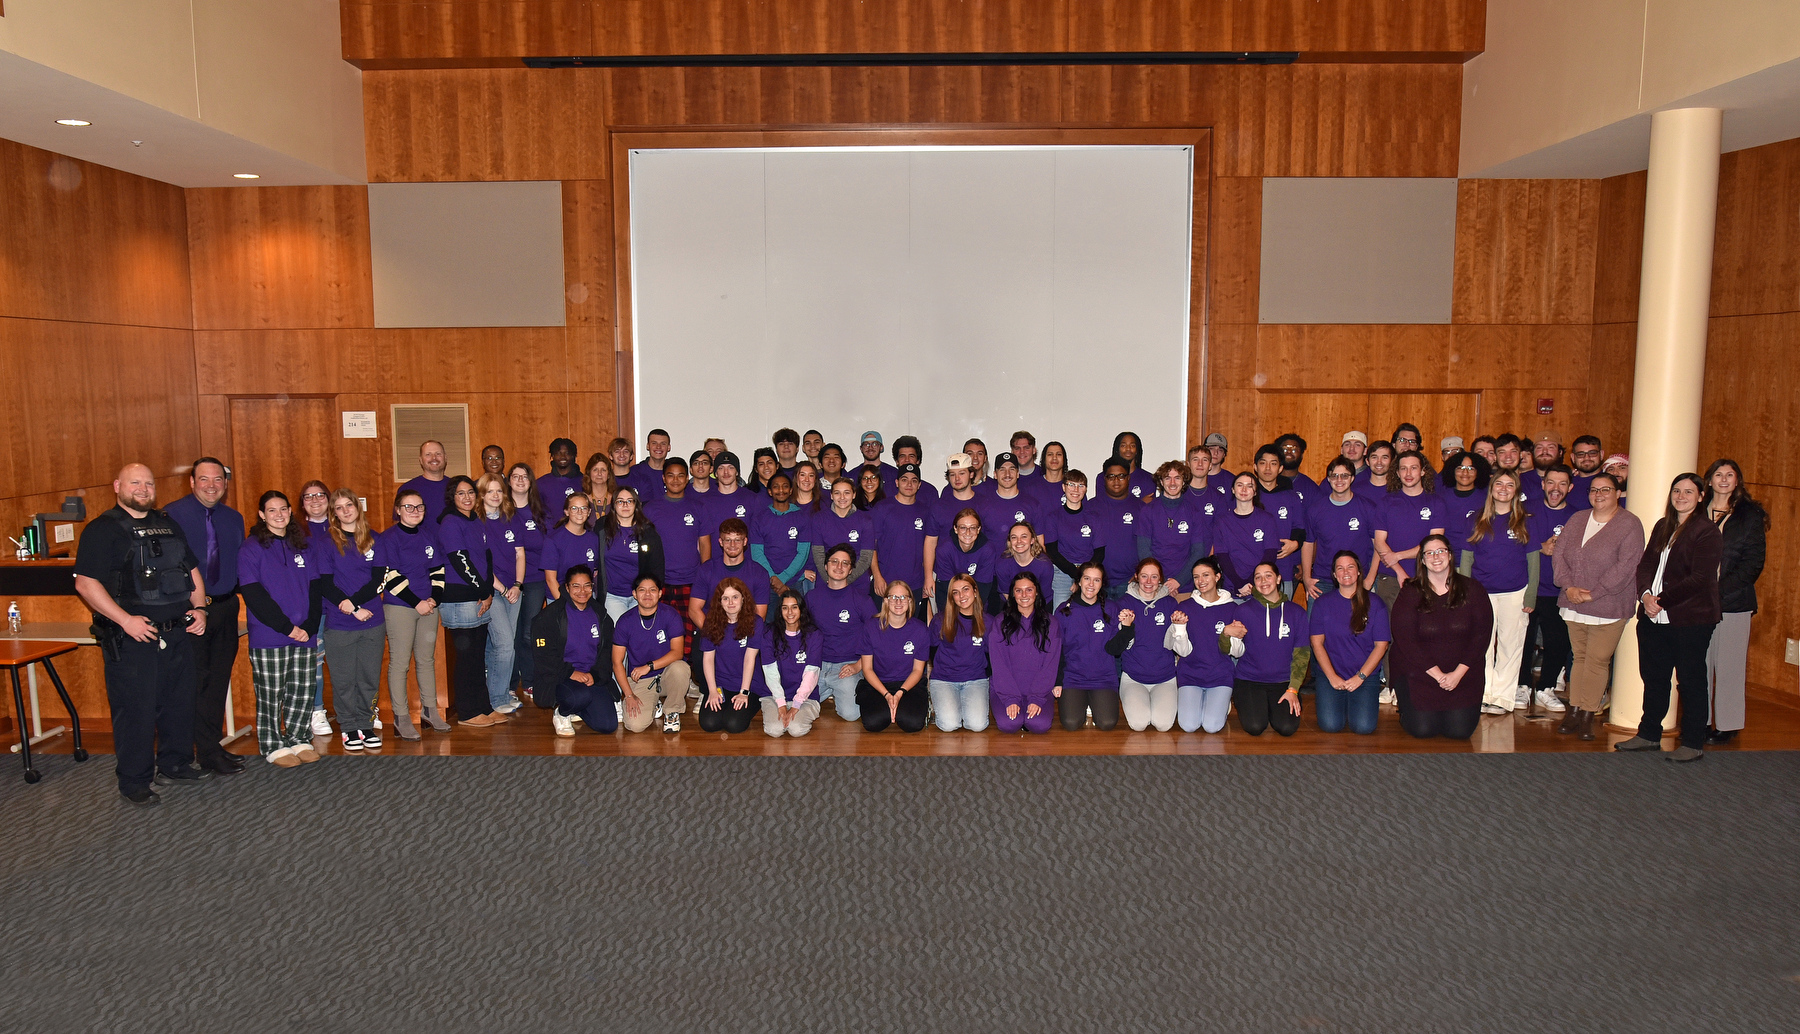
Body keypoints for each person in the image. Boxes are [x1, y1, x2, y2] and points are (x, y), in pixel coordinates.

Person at [73, 464, 211, 804]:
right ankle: (134, 781)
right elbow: (85, 583)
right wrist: (125, 621)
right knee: (136, 711)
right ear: (118, 485)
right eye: (135, 483)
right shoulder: (103, 530)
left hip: (176, 632)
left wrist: (200, 608)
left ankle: (175, 764)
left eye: (148, 483)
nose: (143, 489)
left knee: (179, 704)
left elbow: (190, 569)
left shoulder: (166, 523)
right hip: (132, 638)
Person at [1615, 474, 1724, 762]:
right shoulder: (1664, 525)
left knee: (1690, 680)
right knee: (1654, 678)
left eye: (1689, 491)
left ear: (1701, 496)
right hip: (1654, 616)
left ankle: (1692, 742)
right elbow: (1646, 564)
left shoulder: (1707, 531)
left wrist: (1659, 601)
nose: (1681, 496)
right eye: (1677, 490)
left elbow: (1700, 578)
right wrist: (1645, 595)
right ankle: (1649, 734)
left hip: (1691, 618)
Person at [164, 457, 246, 777]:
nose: (211, 485)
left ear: (225, 484)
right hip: (189, 612)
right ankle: (197, 750)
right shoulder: (171, 516)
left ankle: (210, 749)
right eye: (204, 479)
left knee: (217, 683)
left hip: (226, 608)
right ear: (192, 482)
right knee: (194, 684)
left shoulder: (233, 518)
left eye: (218, 480)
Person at [1549, 473, 1641, 740]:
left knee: (1597, 661)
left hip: (1609, 604)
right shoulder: (1578, 519)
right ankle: (1574, 710)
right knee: (1579, 658)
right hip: (1573, 601)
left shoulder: (1629, 524)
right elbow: (1560, 554)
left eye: (1606, 489)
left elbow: (1626, 566)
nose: (1599, 494)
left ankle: (1589, 714)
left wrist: (1594, 594)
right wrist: (1568, 587)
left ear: (1618, 493)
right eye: (1594, 490)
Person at [238, 490, 327, 766]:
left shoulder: (304, 546)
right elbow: (254, 595)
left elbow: (315, 587)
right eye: (272, 510)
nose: (279, 515)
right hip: (271, 634)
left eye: (284, 509)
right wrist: (288, 628)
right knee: (271, 691)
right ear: (262, 515)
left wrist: (309, 626)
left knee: (302, 689)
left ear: (291, 512)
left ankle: (299, 738)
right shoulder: (250, 549)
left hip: (306, 633)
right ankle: (273, 743)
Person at [1389, 534, 1491, 740]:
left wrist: (1456, 675)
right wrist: (1438, 676)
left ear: (1450, 556)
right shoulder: (1410, 591)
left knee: (1459, 732)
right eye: (1429, 553)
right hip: (1419, 674)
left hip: (1462, 674)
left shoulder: (1473, 589)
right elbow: (1405, 640)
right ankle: (1406, 708)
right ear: (1423, 560)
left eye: (1441, 551)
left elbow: (1481, 637)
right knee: (1423, 730)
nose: (1436, 557)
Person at [1457, 470, 1537, 715]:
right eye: (1498, 484)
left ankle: (1502, 698)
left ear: (1516, 490)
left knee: (1510, 647)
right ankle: (1484, 693)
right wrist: (1465, 594)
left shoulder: (1526, 520)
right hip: (1481, 594)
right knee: (1481, 645)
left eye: (1509, 484)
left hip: (1515, 592)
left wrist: (1531, 595)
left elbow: (1534, 561)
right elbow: (1466, 559)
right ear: (1491, 489)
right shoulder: (1476, 519)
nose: (1503, 488)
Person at [1702, 459, 1767, 745]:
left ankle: (1727, 724)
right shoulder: (1695, 511)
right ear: (1709, 480)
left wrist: (1719, 590)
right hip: (1695, 601)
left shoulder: (1749, 515)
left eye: (1730, 475)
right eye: (1719, 474)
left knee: (1729, 665)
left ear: (1737, 481)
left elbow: (1753, 562)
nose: (1724, 479)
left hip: (1734, 600)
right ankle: (1699, 719)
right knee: (1697, 664)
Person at [373, 488, 445, 739]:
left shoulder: (428, 536)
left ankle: (430, 711)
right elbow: (388, 576)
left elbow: (438, 570)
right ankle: (401, 718)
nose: (415, 512)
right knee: (400, 663)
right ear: (398, 510)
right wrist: (417, 603)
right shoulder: (388, 539)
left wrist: (434, 598)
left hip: (429, 605)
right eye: (409, 507)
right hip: (401, 607)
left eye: (419, 507)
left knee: (426, 661)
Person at [436, 476, 503, 728]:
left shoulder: (475, 520)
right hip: (460, 597)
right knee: (466, 659)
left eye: (471, 492)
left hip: (479, 594)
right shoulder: (450, 523)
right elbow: (460, 561)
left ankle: (483, 706)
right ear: (452, 497)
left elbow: (485, 557)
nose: (467, 497)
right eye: (461, 493)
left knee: (478, 657)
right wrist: (482, 590)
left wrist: (487, 591)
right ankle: (467, 712)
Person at [321, 490, 385, 750]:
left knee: (369, 676)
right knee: (344, 679)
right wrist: (350, 607)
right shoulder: (327, 542)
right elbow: (324, 582)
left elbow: (378, 577)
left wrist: (357, 604)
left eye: (350, 505)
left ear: (358, 507)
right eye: (339, 507)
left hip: (372, 620)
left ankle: (366, 724)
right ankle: (348, 727)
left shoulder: (375, 539)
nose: (346, 510)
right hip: (340, 622)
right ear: (333, 513)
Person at [1219, 561, 1308, 736]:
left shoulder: (1297, 612)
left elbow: (1302, 654)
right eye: (1258, 577)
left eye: (1268, 575)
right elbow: (1228, 649)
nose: (1263, 581)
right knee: (1254, 726)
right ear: (1254, 583)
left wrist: (1293, 689)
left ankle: (1280, 704)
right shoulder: (1243, 611)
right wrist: (1225, 634)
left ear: (1278, 579)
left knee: (1286, 728)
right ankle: (1257, 705)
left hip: (1283, 682)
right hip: (1250, 679)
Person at [1307, 552, 1390, 735]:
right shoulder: (1322, 604)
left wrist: (1360, 677)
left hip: (1364, 676)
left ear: (1359, 572)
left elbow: (1381, 645)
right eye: (1340, 568)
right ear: (1334, 575)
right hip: (1331, 675)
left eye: (1350, 567)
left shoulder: (1375, 603)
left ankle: (1352, 700)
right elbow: (1317, 643)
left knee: (1363, 728)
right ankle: (1341, 699)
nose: (1346, 572)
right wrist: (1332, 676)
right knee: (1330, 726)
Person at [532, 565, 618, 734]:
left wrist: (594, 675)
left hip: (590, 677)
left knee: (607, 725)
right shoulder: (549, 616)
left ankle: (577, 708)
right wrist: (570, 673)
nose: (582, 591)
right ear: (566, 587)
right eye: (576, 586)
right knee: (579, 697)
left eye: (587, 585)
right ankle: (563, 712)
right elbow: (543, 657)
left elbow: (607, 653)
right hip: (562, 677)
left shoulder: (601, 615)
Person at [1520, 466, 1576, 713]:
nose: (1556, 489)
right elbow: (1509, 541)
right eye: (1551, 483)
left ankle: (1546, 688)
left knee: (1559, 642)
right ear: (1542, 484)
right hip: (1527, 587)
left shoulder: (1578, 516)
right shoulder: (1525, 510)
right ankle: (1521, 686)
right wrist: (1538, 547)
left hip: (1559, 591)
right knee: (1523, 639)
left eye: (1562, 484)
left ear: (1570, 488)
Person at [643, 455, 710, 653]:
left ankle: (688, 678)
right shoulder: (651, 508)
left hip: (690, 581)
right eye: (670, 475)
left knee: (689, 634)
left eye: (680, 476)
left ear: (687, 477)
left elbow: (705, 544)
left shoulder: (697, 507)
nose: (675, 480)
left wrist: (705, 578)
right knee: (659, 634)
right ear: (663, 478)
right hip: (659, 582)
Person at [611, 574, 692, 733]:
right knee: (634, 725)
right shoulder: (625, 621)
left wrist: (649, 666)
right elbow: (617, 663)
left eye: (652, 590)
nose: (647, 595)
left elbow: (677, 652)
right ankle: (654, 704)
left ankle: (672, 711)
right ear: (634, 594)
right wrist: (628, 695)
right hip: (641, 679)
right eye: (642, 590)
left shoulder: (670, 614)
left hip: (668, 675)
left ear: (660, 593)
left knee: (681, 668)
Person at [1167, 557, 1239, 733]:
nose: (1201, 581)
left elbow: (1238, 652)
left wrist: (1229, 636)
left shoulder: (1233, 608)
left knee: (1212, 727)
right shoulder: (1184, 607)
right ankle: (1207, 703)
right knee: (1188, 726)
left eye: (1206, 575)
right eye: (1196, 577)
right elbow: (1182, 652)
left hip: (1220, 676)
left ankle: (1220, 703)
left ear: (1217, 577)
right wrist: (1180, 628)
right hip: (1191, 675)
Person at [475, 473, 526, 715]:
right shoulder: (476, 521)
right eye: (490, 491)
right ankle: (496, 699)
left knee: (502, 645)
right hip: (490, 591)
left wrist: (517, 585)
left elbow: (520, 554)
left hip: (513, 590)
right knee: (504, 644)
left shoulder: (511, 518)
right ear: (482, 494)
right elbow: (481, 564)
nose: (495, 495)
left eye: (499, 491)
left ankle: (500, 691)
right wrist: (503, 589)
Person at [804, 544, 874, 721]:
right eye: (834, 561)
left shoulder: (862, 600)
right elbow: (802, 634)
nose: (839, 567)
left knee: (851, 715)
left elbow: (877, 637)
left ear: (851, 570)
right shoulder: (812, 598)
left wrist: (859, 666)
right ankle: (828, 690)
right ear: (826, 566)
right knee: (798, 705)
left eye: (845, 563)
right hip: (817, 664)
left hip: (847, 666)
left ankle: (840, 689)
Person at [1054, 562, 1124, 730]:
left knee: (1107, 723)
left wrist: (1128, 628)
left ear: (1102, 584)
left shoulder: (1111, 609)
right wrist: (1058, 681)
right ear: (1079, 581)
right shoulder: (1064, 611)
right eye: (1087, 579)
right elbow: (1057, 651)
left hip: (1103, 678)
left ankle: (1093, 702)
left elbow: (1116, 649)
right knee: (1071, 723)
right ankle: (1083, 702)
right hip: (1073, 677)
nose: (1091, 585)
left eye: (1096, 580)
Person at [988, 572, 1060, 734]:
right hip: (1005, 689)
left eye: (1029, 590)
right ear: (1012, 594)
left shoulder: (1051, 623)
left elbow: (1050, 665)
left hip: (1039, 690)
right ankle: (1017, 712)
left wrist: (1036, 698)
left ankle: (1027, 714)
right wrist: (1010, 698)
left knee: (1038, 725)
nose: (1024, 595)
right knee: (1009, 724)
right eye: (1019, 590)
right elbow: (998, 665)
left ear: (1037, 593)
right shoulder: (1000, 622)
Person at [1299, 456, 1378, 602]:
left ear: (1352, 478)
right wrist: (1306, 578)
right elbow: (1308, 543)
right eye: (1334, 476)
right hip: (1322, 580)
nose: (1339, 480)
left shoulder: (1368, 508)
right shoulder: (1315, 510)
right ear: (1328, 479)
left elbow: (1378, 546)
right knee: (1317, 624)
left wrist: (1369, 580)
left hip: (1357, 580)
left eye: (1344, 476)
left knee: (1357, 625)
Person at [1372, 452, 1443, 613]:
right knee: (1390, 632)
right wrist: (1399, 571)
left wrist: (1398, 556)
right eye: (1403, 469)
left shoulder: (1436, 503)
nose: (1408, 474)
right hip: (1390, 577)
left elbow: (1434, 545)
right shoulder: (1386, 503)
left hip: (1427, 575)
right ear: (1397, 473)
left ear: (1423, 471)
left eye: (1413, 468)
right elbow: (1379, 542)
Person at [856, 581, 930, 733]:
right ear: (885, 601)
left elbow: (917, 670)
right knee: (873, 723)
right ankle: (889, 707)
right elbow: (867, 669)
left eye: (903, 597)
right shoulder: (870, 627)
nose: (898, 601)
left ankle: (910, 706)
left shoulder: (920, 630)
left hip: (909, 684)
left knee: (913, 724)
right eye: (893, 597)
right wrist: (887, 695)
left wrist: (899, 694)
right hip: (878, 684)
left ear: (910, 601)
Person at [1115, 558, 1180, 731]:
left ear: (1160, 579)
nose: (1149, 582)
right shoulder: (1123, 604)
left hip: (1165, 678)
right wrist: (1124, 626)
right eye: (1144, 576)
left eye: (1154, 577)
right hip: (1133, 678)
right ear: (1136, 577)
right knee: (1138, 724)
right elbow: (1118, 646)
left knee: (1163, 725)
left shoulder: (1170, 603)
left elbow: (1178, 645)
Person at [693, 577, 761, 735]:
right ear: (719, 601)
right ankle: (725, 704)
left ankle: (746, 704)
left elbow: (749, 659)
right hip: (721, 684)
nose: (731, 602)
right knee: (709, 723)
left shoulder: (755, 622)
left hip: (748, 685)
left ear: (743, 598)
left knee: (733, 724)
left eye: (735, 597)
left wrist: (744, 693)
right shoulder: (711, 623)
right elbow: (708, 659)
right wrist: (712, 691)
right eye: (725, 598)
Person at [505, 463, 549, 699]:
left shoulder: (540, 511)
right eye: (515, 476)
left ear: (531, 482)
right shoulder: (501, 511)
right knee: (510, 633)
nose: (520, 480)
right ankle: (510, 684)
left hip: (534, 580)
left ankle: (529, 680)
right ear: (508, 481)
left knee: (528, 633)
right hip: (506, 582)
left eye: (525, 476)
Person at [296, 480, 336, 737]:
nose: (315, 500)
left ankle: (358, 709)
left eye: (320, 494)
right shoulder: (295, 532)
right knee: (315, 661)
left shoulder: (342, 526)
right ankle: (316, 710)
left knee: (344, 660)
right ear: (302, 504)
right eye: (308, 496)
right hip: (314, 608)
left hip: (343, 606)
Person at [928, 574, 992, 732]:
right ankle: (938, 702)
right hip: (944, 679)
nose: (961, 596)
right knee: (949, 725)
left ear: (975, 591)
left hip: (975, 679)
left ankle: (963, 706)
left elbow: (991, 657)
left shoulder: (988, 621)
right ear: (952, 598)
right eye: (956, 592)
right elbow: (931, 651)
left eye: (965, 590)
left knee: (977, 725)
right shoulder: (940, 620)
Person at [759, 589, 824, 737]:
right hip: (773, 695)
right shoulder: (769, 634)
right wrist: (781, 704)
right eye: (785, 607)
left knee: (796, 730)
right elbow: (770, 672)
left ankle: (798, 714)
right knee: (774, 730)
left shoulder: (814, 635)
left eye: (794, 607)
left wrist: (796, 705)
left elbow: (811, 674)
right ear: (780, 610)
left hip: (806, 697)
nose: (790, 612)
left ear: (801, 609)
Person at [1138, 461, 1208, 596]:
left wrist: (1178, 581)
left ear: (1184, 482)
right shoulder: (1148, 511)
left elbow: (1198, 552)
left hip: (1184, 586)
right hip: (1154, 586)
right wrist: (1158, 580)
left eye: (1177, 478)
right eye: (1167, 478)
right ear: (1161, 482)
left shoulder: (1194, 512)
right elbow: (1143, 550)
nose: (1172, 483)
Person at [870, 464, 931, 619]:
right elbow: (871, 545)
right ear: (897, 482)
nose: (909, 484)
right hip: (885, 582)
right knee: (883, 628)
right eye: (904, 480)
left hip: (914, 584)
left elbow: (928, 548)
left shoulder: (925, 511)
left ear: (919, 485)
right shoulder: (882, 508)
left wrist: (926, 579)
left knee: (909, 630)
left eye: (914, 480)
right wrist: (877, 576)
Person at [601, 487, 665, 622]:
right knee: (622, 631)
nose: (625, 505)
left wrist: (650, 595)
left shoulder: (648, 533)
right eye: (620, 501)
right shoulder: (602, 528)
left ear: (636, 505)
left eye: (630, 501)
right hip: (613, 595)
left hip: (641, 596)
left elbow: (657, 568)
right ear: (613, 505)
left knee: (640, 635)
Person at [690, 517, 770, 626]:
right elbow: (694, 610)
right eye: (728, 540)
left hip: (745, 635)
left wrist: (739, 639)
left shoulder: (759, 573)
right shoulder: (706, 570)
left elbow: (760, 615)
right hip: (712, 633)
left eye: (737, 540)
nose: (732, 545)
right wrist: (713, 635)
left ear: (745, 541)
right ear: (720, 542)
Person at [1211, 472, 1280, 595]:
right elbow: (1222, 556)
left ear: (1255, 492)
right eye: (1240, 485)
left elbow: (1270, 554)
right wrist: (1239, 583)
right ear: (1232, 490)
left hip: (1261, 587)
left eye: (1249, 486)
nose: (1244, 489)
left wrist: (1253, 582)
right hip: (1233, 587)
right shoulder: (1222, 521)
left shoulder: (1267, 519)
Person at [1250, 444, 1306, 592]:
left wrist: (1295, 543)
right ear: (1255, 467)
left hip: (1283, 570)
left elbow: (1300, 528)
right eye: (1263, 463)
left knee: (1282, 614)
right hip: (1250, 570)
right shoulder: (1245, 495)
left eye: (1273, 463)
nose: (1268, 468)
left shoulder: (1291, 497)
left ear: (1280, 468)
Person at [1044, 470, 1102, 605]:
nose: (1076, 490)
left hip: (1089, 574)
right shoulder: (1053, 517)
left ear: (1086, 489)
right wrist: (1076, 575)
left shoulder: (1094, 518)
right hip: (1062, 573)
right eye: (1071, 484)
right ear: (1064, 487)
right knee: (1061, 614)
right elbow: (1052, 552)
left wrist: (1084, 576)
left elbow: (1100, 552)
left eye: (1081, 486)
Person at [750, 472, 811, 597]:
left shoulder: (802, 517)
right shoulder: (759, 518)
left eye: (785, 486)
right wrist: (773, 578)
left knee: (796, 616)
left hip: (794, 582)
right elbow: (757, 553)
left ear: (790, 490)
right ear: (770, 491)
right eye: (776, 487)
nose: (781, 490)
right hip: (767, 582)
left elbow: (803, 553)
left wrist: (782, 579)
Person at [1092, 457, 1146, 598]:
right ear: (1104, 479)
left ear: (1128, 478)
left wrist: (1140, 574)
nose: (1116, 481)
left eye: (1121, 476)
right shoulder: (1090, 507)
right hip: (1097, 583)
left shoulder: (1141, 508)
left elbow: (1150, 546)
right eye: (1111, 476)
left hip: (1130, 583)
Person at [809, 478, 875, 588]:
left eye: (847, 493)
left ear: (854, 495)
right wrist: (831, 580)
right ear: (831, 496)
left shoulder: (865, 520)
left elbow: (866, 557)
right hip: (826, 582)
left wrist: (845, 581)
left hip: (857, 582)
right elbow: (818, 554)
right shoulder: (819, 519)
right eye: (837, 493)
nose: (842, 497)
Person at [931, 508, 997, 615]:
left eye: (972, 528)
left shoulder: (987, 550)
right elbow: (947, 587)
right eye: (963, 528)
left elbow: (983, 588)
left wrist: (970, 614)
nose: (968, 532)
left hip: (976, 603)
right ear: (955, 529)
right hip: (950, 600)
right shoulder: (944, 549)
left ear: (979, 529)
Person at [542, 492, 600, 602]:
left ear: (589, 512)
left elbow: (595, 571)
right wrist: (568, 605)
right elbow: (550, 579)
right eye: (574, 508)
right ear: (567, 512)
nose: (579, 512)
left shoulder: (593, 539)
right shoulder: (553, 540)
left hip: (585, 598)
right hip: (559, 598)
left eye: (584, 508)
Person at [973, 454, 1040, 547]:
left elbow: (1039, 543)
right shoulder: (982, 505)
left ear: (1017, 473)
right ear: (995, 475)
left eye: (1012, 469)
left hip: (1022, 561)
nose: (1007, 474)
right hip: (993, 561)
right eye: (1002, 469)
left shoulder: (1032, 504)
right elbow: (977, 543)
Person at [1437, 449, 1491, 548]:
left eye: (1471, 469)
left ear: (1478, 472)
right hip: (1446, 556)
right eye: (1460, 468)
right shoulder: (1440, 498)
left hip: (1475, 557)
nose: (1465, 473)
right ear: (1452, 471)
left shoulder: (1486, 499)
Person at [400, 439, 450, 524]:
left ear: (445, 458)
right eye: (428, 454)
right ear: (421, 460)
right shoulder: (407, 489)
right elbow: (399, 525)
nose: (434, 458)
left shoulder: (456, 487)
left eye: (438, 454)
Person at [538, 437, 583, 524]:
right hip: (550, 534)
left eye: (567, 453)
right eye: (558, 453)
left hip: (578, 534)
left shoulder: (584, 481)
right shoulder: (541, 484)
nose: (563, 456)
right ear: (553, 456)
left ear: (573, 455)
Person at [629, 428, 672, 500]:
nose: (658, 447)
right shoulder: (634, 472)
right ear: (648, 446)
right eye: (654, 443)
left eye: (663, 444)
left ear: (669, 447)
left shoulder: (675, 473)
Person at [1111, 431, 1155, 499]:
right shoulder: (1104, 478)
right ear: (1117, 450)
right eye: (1123, 445)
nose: (1128, 449)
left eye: (1132, 446)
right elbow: (1104, 507)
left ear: (1137, 450)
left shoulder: (1149, 478)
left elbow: (1148, 508)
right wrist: (1141, 503)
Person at [1275, 433, 1318, 498]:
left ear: (1301, 455)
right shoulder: (1269, 482)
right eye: (1285, 449)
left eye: (1294, 450)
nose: (1289, 452)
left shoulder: (1310, 487)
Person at [1567, 435, 1604, 510]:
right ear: (1573, 457)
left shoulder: (1611, 482)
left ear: (1601, 454)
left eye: (1592, 453)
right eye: (1580, 454)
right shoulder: (1565, 483)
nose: (1587, 458)